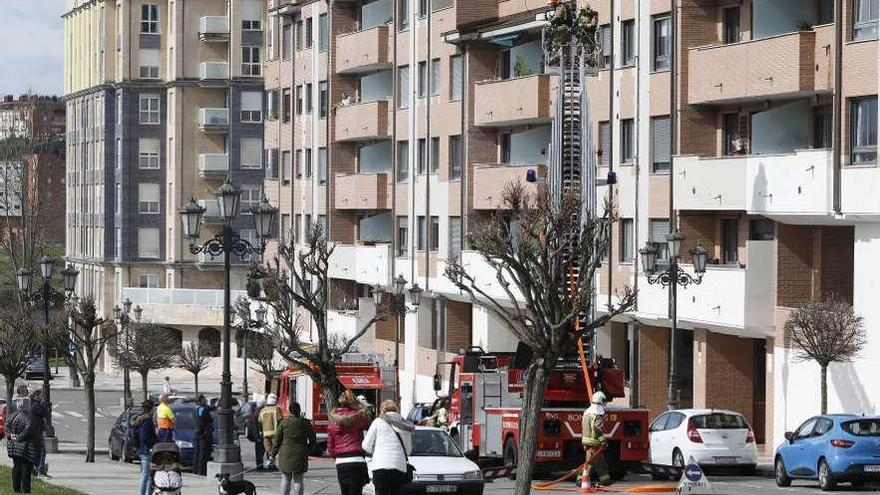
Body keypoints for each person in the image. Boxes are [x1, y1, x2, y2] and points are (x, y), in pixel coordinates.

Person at [362, 400, 414, 495]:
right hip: (399, 466)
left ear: (383, 410)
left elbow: (366, 445)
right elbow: (408, 450)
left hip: (380, 465)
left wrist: (376, 451)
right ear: (396, 410)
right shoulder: (405, 425)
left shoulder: (378, 422)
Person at [328, 390, 372, 495]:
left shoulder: (334, 421)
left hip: (341, 462)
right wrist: (361, 405)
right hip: (356, 459)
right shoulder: (358, 417)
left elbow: (330, 447)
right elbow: (369, 425)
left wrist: (337, 456)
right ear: (353, 402)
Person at [272, 402, 316, 495]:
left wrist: (273, 453)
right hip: (301, 453)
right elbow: (313, 439)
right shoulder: (305, 422)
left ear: (289, 410)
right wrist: (308, 450)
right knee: (299, 479)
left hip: (285, 454)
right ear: (299, 410)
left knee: (285, 478)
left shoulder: (284, 423)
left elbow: (277, 440)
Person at [581, 391, 611, 487]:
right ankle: (581, 479)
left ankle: (605, 480)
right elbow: (597, 429)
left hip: (586, 440)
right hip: (594, 441)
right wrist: (603, 441)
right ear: (601, 401)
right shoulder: (597, 414)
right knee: (593, 462)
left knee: (595, 461)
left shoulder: (587, 412)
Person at [7, 397, 36, 493]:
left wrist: (11, 436)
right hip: (25, 448)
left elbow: (7, 427)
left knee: (16, 467)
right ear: (27, 405)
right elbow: (29, 429)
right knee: (26, 469)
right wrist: (19, 438)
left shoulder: (13, 415)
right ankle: (25, 489)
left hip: (13, 447)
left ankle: (16, 489)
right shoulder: (28, 416)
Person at [133, 400, 159, 495]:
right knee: (146, 475)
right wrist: (153, 444)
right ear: (150, 408)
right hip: (146, 450)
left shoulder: (140, 420)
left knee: (146, 474)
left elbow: (136, 434)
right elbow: (145, 437)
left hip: (142, 449)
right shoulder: (147, 421)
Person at [28, 391, 49, 477]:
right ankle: (40, 470)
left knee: (38, 451)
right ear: (36, 397)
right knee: (42, 451)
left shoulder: (34, 405)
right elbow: (45, 413)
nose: (42, 397)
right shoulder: (36, 406)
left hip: (36, 430)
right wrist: (44, 404)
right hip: (37, 431)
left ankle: (37, 469)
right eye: (41, 396)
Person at [192, 395, 214, 476]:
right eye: (204, 399)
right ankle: (201, 470)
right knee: (203, 452)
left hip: (196, 432)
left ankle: (195, 469)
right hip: (203, 433)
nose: (206, 401)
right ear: (201, 401)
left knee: (196, 452)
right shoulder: (203, 409)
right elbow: (207, 420)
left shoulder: (194, 409)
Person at [259, 393, 282, 469]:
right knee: (276, 450)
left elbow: (259, 421)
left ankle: (270, 464)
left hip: (265, 434)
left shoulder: (262, 410)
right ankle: (275, 465)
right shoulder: (276, 409)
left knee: (269, 450)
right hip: (275, 433)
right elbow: (280, 420)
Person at [248, 396, 267, 470]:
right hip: (259, 436)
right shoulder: (258, 413)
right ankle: (260, 466)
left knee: (259, 452)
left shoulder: (255, 411)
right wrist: (258, 436)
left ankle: (260, 465)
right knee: (260, 452)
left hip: (257, 436)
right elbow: (256, 426)